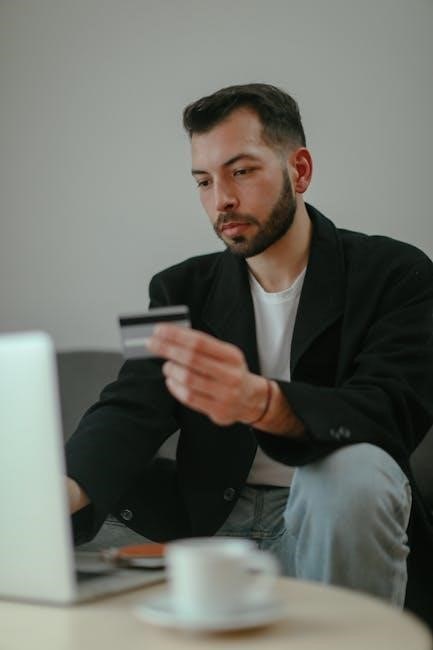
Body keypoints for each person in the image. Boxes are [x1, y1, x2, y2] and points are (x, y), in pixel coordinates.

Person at [66, 83, 433, 623]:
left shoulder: (399, 273)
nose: (221, 200)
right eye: (203, 181)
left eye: (241, 171)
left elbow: (390, 410)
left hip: (326, 522)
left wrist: (262, 402)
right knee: (68, 515)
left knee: (353, 472)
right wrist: (59, 489)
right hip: (209, 527)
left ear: (299, 171)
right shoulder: (174, 288)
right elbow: (131, 405)